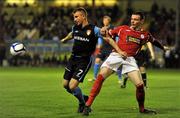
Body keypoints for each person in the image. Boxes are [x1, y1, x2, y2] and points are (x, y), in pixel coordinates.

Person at [83, 11, 168, 116]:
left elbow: (154, 41)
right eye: (132, 19)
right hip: (116, 56)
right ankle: (87, 106)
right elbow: (108, 35)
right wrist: (103, 31)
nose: (133, 21)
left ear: (142, 21)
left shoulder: (145, 34)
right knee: (100, 77)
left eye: (136, 19)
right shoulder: (122, 28)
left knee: (140, 85)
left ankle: (142, 109)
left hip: (129, 59)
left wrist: (163, 47)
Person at [61, 7, 127, 113]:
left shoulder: (94, 29)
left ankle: (82, 103)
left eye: (77, 16)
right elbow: (71, 34)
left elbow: (108, 39)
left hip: (84, 61)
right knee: (65, 85)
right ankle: (83, 98)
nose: (75, 19)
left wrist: (119, 51)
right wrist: (65, 39)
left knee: (72, 86)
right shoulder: (75, 28)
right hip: (72, 59)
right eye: (74, 17)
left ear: (83, 16)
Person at [88, 15, 122, 84]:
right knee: (97, 60)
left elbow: (117, 36)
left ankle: (120, 78)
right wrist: (99, 45)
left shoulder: (113, 28)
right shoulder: (102, 29)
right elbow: (100, 38)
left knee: (117, 64)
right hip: (103, 48)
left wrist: (117, 45)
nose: (104, 21)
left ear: (108, 21)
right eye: (104, 20)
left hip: (111, 48)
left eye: (106, 20)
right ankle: (95, 77)